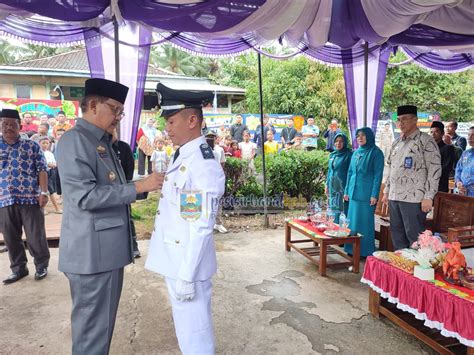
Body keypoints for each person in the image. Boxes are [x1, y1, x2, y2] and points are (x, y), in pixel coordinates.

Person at [56, 78, 163, 354]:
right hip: (92, 256)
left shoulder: (101, 142)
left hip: (104, 253)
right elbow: (85, 197)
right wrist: (138, 186)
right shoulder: (75, 142)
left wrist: (143, 185)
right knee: (93, 334)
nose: (118, 117)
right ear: (92, 105)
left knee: (100, 330)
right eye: (114, 109)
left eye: (121, 111)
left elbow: (114, 187)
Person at [145, 83, 225, 354]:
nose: (167, 128)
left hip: (186, 265)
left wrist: (187, 275)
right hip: (178, 259)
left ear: (192, 120)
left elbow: (201, 225)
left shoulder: (201, 163)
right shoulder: (185, 154)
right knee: (187, 329)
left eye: (171, 120)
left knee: (195, 335)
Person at [0, 109, 50, 284]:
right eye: (4, 124)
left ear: (19, 126)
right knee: (10, 237)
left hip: (31, 198)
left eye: (12, 124)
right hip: (4, 200)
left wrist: (44, 192)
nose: (8, 127)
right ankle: (19, 269)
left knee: (36, 235)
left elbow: (42, 169)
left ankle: (41, 265)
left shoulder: (32, 145)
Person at [382, 105, 441, 250]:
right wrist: (386, 191)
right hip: (395, 196)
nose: (401, 123)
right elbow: (390, 167)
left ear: (415, 120)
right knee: (397, 235)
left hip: (414, 199)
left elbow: (435, 169)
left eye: (405, 119)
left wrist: (429, 196)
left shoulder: (425, 141)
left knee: (414, 238)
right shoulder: (396, 142)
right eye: (399, 120)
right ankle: (402, 268)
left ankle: (416, 270)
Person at [344, 128, 384, 257]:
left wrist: (374, 194)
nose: (360, 138)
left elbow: (378, 175)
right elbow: (350, 173)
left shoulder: (376, 152)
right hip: (353, 192)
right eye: (358, 136)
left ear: (369, 137)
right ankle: (351, 249)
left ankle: (365, 251)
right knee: (352, 222)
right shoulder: (355, 153)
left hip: (367, 194)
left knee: (364, 223)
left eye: (363, 135)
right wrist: (346, 191)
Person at [111, 129, 143, 259]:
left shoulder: (123, 147)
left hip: (123, 189)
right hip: (107, 191)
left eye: (113, 131)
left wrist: (126, 186)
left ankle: (133, 247)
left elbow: (129, 166)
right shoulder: (100, 147)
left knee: (127, 217)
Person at [326, 133, 352, 224]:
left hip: (342, 186)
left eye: (341, 141)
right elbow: (329, 171)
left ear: (345, 142)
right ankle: (331, 226)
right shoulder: (332, 155)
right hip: (332, 185)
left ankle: (339, 230)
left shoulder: (349, 154)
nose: (338, 143)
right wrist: (326, 184)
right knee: (332, 207)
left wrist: (347, 189)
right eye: (336, 141)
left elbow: (350, 173)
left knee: (341, 209)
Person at [430, 121, 455, 193]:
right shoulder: (427, 149)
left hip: (440, 186)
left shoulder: (448, 148)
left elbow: (447, 167)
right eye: (431, 132)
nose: (433, 134)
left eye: (436, 132)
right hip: (426, 185)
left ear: (442, 133)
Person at [39, 137, 61, 214]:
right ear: (39, 143)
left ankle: (56, 208)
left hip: (51, 172)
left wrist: (53, 165)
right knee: (44, 191)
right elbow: (43, 164)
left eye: (47, 143)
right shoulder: (39, 153)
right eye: (43, 143)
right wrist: (49, 165)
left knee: (51, 190)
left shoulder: (50, 153)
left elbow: (54, 163)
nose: (45, 145)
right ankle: (44, 209)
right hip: (43, 173)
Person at [454, 126, 474, 197]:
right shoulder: (465, 153)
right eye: (469, 135)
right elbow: (458, 169)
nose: (470, 138)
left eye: (473, 135)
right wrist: (459, 182)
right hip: (462, 192)